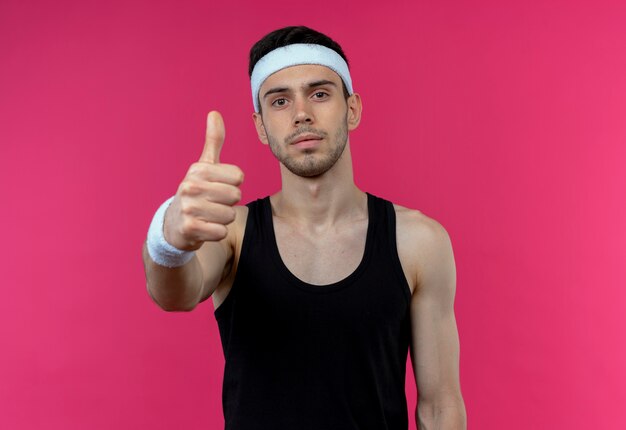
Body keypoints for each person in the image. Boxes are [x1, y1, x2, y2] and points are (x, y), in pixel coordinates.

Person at [142, 26, 467, 430]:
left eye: (319, 93)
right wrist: (169, 238)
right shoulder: (232, 233)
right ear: (261, 127)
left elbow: (440, 407)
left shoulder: (418, 241)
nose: (301, 113)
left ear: (352, 108)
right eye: (280, 101)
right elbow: (174, 295)